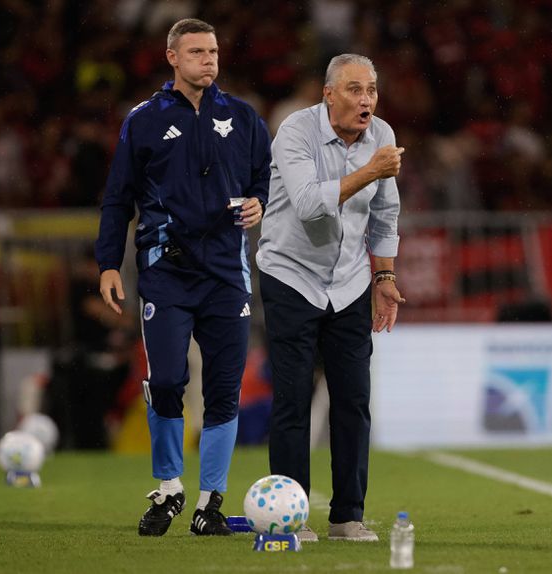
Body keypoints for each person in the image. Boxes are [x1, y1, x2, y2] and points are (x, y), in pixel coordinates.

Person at [95, 18, 271, 536]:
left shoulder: (242, 116)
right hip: (165, 272)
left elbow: (265, 177)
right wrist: (108, 262)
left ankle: (209, 504)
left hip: (225, 273)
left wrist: (262, 199)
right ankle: (169, 487)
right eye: (196, 51)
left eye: (213, 51)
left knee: (223, 391)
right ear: (172, 58)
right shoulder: (144, 120)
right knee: (168, 379)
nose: (208, 60)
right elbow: (117, 198)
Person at [257, 53, 404, 543]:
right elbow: (308, 204)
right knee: (294, 400)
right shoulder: (295, 132)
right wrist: (371, 170)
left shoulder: (381, 135)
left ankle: (347, 516)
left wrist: (384, 279)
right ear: (328, 94)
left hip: (349, 282)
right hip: (290, 275)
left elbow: (385, 215)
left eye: (372, 90)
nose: (367, 100)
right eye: (356, 90)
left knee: (353, 401)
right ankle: (292, 517)